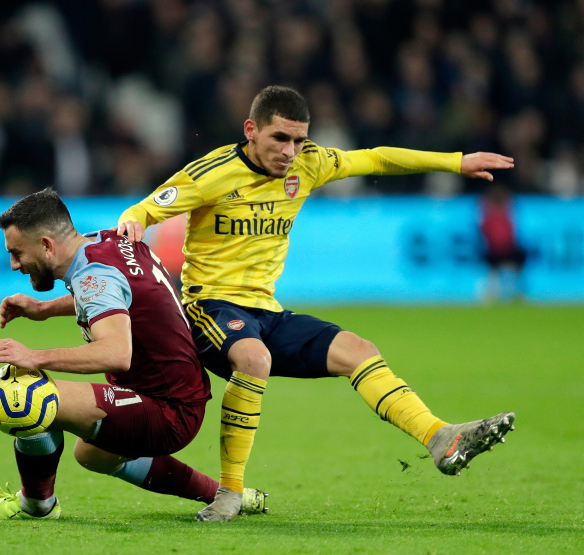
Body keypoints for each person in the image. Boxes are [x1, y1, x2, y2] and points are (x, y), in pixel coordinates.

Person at [116, 85, 517, 521]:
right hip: (208, 309)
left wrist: (455, 162)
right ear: (250, 130)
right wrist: (133, 225)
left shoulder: (308, 165)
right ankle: (229, 492)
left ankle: (439, 437)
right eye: (280, 139)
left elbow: (376, 157)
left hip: (266, 311)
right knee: (253, 358)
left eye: (299, 141)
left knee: (359, 351)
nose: (291, 152)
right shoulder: (211, 173)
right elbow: (141, 211)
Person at [0, 188, 267, 520]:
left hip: (168, 410)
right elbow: (115, 294)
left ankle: (36, 505)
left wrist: (34, 356)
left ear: (48, 246)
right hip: (179, 393)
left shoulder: (94, 275)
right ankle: (230, 495)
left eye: (17, 253)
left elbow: (116, 353)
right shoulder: (108, 242)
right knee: (92, 454)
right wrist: (45, 308)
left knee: (21, 393)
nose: (13, 264)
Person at [480, 184, 528, 302]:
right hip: (496, 252)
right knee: (496, 271)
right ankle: (511, 293)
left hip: (502, 251)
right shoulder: (492, 218)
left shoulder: (502, 217)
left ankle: (516, 293)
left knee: (515, 267)